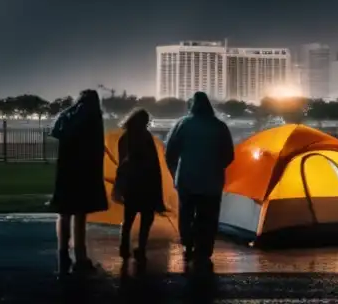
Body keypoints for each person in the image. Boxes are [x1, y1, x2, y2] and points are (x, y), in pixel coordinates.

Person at [164, 92, 234, 273]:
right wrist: (217, 166)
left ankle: (188, 245)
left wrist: (175, 171)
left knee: (186, 214)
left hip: (187, 179)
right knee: (208, 217)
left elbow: (170, 151)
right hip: (212, 180)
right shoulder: (219, 126)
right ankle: (204, 250)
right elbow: (229, 155)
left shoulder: (183, 124)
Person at [50, 90, 107, 275]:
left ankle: (62, 251)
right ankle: (81, 256)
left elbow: (55, 133)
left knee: (64, 212)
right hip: (85, 170)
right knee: (80, 214)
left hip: (66, 170)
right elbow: (97, 146)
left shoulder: (66, 115)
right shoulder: (93, 116)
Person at [114, 108, 165, 267]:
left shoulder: (124, 138)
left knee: (128, 218)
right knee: (146, 218)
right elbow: (153, 163)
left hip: (131, 183)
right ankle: (140, 247)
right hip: (147, 183)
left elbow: (122, 163)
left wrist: (119, 184)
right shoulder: (146, 137)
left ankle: (124, 246)